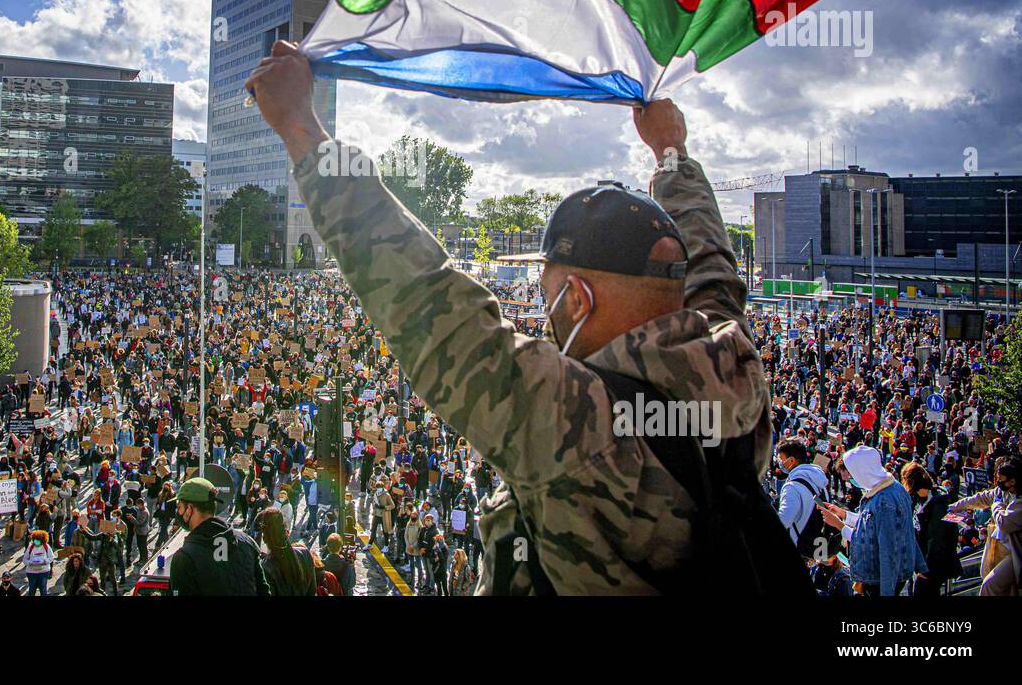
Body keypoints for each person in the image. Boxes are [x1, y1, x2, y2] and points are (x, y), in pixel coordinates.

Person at [246, 43, 777, 594]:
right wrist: (671, 153)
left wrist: (301, 127)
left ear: (577, 299)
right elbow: (712, 270)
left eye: (547, 295)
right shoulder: (732, 363)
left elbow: (427, 300)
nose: (545, 315)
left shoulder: (578, 421)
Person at [820, 445, 926, 596]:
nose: (848, 479)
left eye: (852, 474)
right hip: (889, 575)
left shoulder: (883, 501)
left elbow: (886, 550)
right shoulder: (894, 487)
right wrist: (844, 514)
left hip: (880, 579)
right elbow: (881, 525)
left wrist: (838, 524)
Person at [167, 477, 270, 596]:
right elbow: (264, 590)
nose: (178, 512)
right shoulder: (248, 543)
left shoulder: (184, 558)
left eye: (179, 507)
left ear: (189, 509)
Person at [948, 455, 1020, 596]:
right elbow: (981, 498)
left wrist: (997, 505)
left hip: (1016, 552)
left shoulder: (1019, 502)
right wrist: (954, 507)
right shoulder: (1002, 491)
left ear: (1013, 481)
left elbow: (1004, 522)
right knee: (994, 580)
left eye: (1001, 479)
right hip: (1002, 546)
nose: (998, 482)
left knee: (990, 585)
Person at [901, 462, 962, 596]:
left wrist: (926, 569)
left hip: (931, 567)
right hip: (920, 563)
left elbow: (937, 540)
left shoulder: (940, 504)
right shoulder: (917, 499)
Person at [774, 436, 829, 557]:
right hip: (820, 544)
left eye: (781, 459)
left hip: (800, 547)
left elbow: (783, 521)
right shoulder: (818, 479)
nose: (780, 463)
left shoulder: (792, 487)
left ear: (792, 460)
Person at [258, 506, 316, 596]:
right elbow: (312, 590)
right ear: (286, 531)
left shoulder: (265, 567)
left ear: (264, 537)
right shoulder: (305, 553)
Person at [23, 529, 53, 596]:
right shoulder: (30, 547)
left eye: (38, 540)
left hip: (44, 571)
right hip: (31, 572)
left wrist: (45, 561)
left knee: (43, 589)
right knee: (32, 590)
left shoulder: (46, 547)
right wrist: (30, 563)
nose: (36, 541)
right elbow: (24, 559)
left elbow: (51, 557)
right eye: (35, 540)